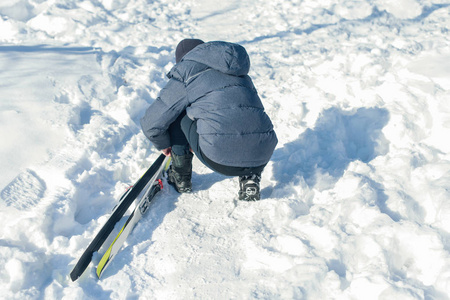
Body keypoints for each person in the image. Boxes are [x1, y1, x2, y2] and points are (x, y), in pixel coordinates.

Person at [140, 39, 277, 201]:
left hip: (219, 158)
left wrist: (164, 143)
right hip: (262, 154)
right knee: (242, 115)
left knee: (177, 113)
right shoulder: (238, 70)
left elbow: (151, 123)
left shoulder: (187, 72)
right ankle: (250, 177)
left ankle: (181, 175)